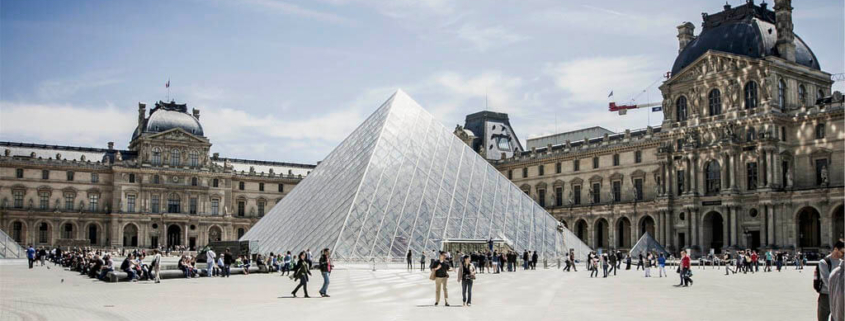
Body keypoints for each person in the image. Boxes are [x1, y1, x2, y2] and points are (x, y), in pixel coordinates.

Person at [817, 241, 844, 321]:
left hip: (838, 295)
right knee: (823, 318)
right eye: (842, 252)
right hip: (826, 295)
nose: (843, 254)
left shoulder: (841, 262)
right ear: (836, 249)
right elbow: (826, 280)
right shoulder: (824, 262)